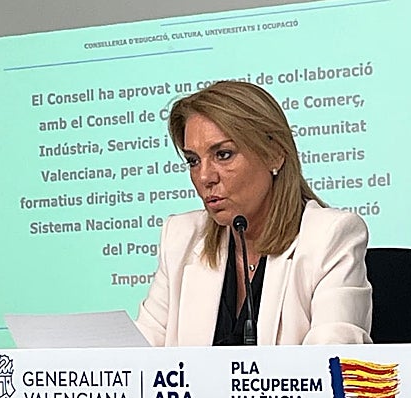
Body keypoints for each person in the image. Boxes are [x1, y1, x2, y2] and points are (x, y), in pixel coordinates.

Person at [136, 80, 372, 346]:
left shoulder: (330, 236)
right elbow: (139, 357)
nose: (204, 177)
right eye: (193, 161)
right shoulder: (180, 237)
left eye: (223, 154)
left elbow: (332, 358)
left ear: (274, 154)